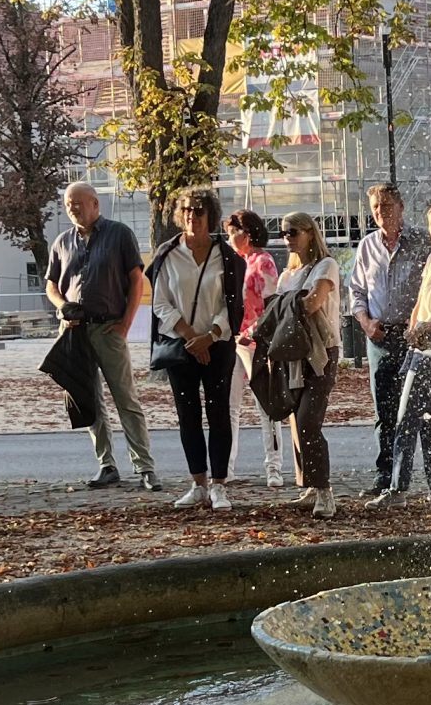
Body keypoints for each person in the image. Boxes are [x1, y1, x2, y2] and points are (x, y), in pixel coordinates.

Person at [45, 181, 162, 493]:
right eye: (69, 204)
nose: (72, 209)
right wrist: (61, 307)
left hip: (109, 328)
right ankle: (106, 465)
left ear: (95, 203)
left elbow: (136, 280)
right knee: (88, 399)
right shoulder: (62, 241)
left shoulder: (119, 234)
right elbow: (52, 285)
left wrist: (125, 324)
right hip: (75, 332)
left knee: (126, 398)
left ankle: (145, 467)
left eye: (78, 203)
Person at [147, 187, 244, 510]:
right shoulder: (168, 253)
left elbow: (232, 304)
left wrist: (210, 336)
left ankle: (219, 485)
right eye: (187, 210)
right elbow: (160, 302)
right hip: (180, 346)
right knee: (187, 415)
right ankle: (197, 483)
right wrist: (190, 337)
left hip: (217, 345)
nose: (192, 216)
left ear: (210, 216)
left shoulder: (226, 256)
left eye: (199, 211)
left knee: (219, 414)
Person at [371, 201, 431, 510]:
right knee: (408, 417)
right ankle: (398, 487)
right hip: (421, 347)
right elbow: (421, 300)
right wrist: (414, 328)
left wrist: (430, 325)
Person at [345, 183, 431, 498]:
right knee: (385, 411)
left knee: (424, 410)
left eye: (387, 206)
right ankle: (387, 477)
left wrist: (420, 323)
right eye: (376, 209)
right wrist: (366, 323)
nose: (382, 213)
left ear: (401, 207)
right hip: (380, 337)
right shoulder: (368, 246)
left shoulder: (422, 242)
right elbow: (356, 291)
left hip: (415, 337)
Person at [276, 211, 342, 518]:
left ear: (309, 233)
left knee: (308, 421)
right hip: (294, 354)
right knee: (296, 422)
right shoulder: (287, 275)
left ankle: (325, 490)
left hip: (321, 353)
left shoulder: (325, 265)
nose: (287, 238)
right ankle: (312, 486)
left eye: (293, 232)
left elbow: (314, 302)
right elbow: (279, 313)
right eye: (284, 233)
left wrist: (286, 305)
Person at [224, 208, 285, 488]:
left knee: (266, 406)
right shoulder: (231, 262)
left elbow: (270, 306)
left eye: (232, 232)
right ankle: (226, 466)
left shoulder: (263, 262)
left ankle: (273, 467)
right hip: (231, 341)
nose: (228, 237)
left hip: (257, 343)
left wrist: (250, 333)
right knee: (229, 406)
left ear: (246, 234)